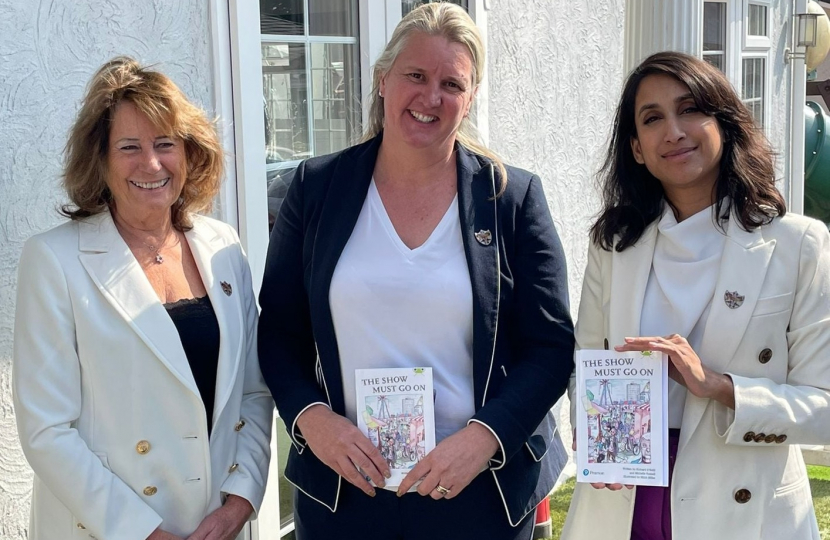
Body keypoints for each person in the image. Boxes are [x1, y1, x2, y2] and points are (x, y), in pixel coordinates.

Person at [257, 4, 574, 539]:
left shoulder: (510, 199)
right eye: (416, 75)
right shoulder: (316, 189)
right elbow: (279, 331)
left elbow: (549, 346)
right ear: (383, 80)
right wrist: (312, 420)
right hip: (346, 490)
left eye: (452, 83)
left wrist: (485, 438)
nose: (431, 97)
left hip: (475, 490)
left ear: (470, 98)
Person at [561, 51, 830, 540]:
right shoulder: (613, 244)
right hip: (623, 498)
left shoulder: (798, 245)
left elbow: (824, 406)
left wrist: (721, 385)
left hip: (744, 503)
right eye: (652, 118)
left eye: (690, 109)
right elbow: (588, 360)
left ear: (723, 124)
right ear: (637, 148)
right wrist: (592, 424)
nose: (673, 131)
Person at [13, 57, 273, 540]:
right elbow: (47, 431)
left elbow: (254, 393)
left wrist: (241, 499)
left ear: (190, 153)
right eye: (129, 147)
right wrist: (143, 532)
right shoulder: (54, 260)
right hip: (108, 529)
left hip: (213, 524)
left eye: (165, 144)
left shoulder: (223, 247)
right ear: (101, 161)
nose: (151, 164)